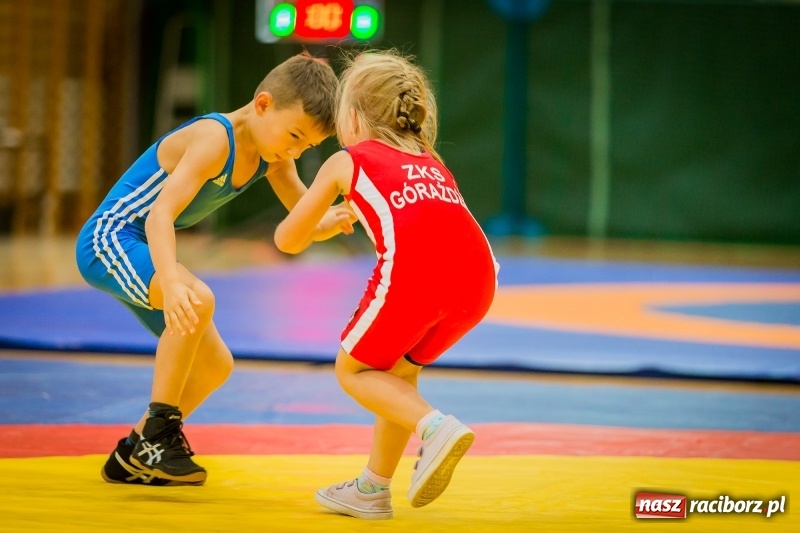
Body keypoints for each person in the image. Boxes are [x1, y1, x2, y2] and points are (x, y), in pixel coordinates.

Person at [75, 52, 354, 486]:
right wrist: (170, 279)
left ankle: (132, 454)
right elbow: (159, 215)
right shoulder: (214, 139)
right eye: (294, 136)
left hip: (145, 245)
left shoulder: (274, 153)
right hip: (109, 239)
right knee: (197, 297)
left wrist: (330, 221)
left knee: (215, 365)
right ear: (263, 104)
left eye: (308, 147)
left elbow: (302, 219)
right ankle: (159, 436)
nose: (295, 150)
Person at [274, 49, 499, 519]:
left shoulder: (347, 160)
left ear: (351, 116)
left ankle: (434, 427)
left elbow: (288, 239)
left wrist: (323, 217)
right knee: (399, 374)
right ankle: (372, 488)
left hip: (421, 276)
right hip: (479, 279)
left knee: (353, 370)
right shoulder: (431, 159)